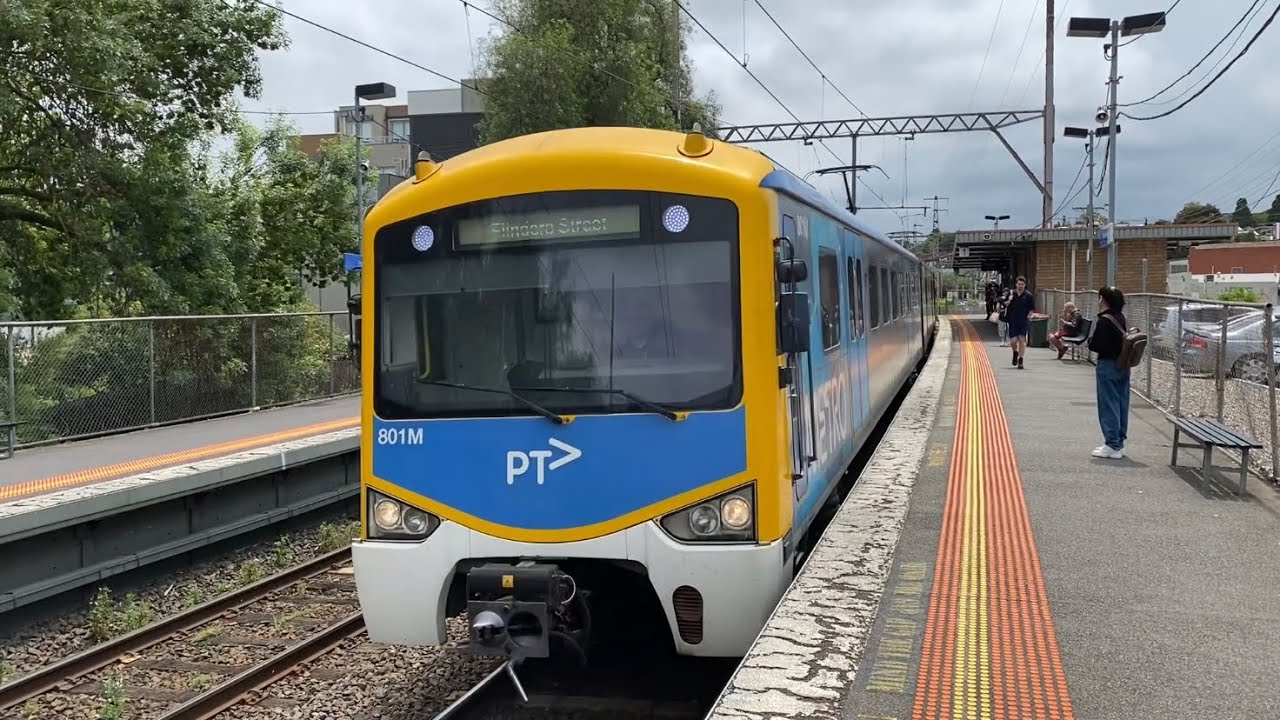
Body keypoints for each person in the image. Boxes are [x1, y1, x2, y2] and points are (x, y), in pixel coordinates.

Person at [1088, 286, 1130, 459]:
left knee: (1108, 403)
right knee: (1121, 402)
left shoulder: (1104, 320)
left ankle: (1111, 444)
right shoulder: (1121, 318)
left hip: (1107, 365)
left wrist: (1091, 340)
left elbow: (1096, 345)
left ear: (1103, 299)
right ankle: (1119, 442)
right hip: (1123, 364)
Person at [1004, 277, 1034, 369]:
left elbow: (1031, 308)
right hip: (1012, 320)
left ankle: (1021, 359)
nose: (1020, 286)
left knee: (1022, 339)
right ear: (1016, 284)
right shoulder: (1011, 293)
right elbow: (1004, 304)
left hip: (1023, 320)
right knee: (1013, 341)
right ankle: (1015, 352)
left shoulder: (1028, 295)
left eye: (1022, 284)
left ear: (1025, 285)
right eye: (1019, 284)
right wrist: (1009, 300)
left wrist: (1030, 315)